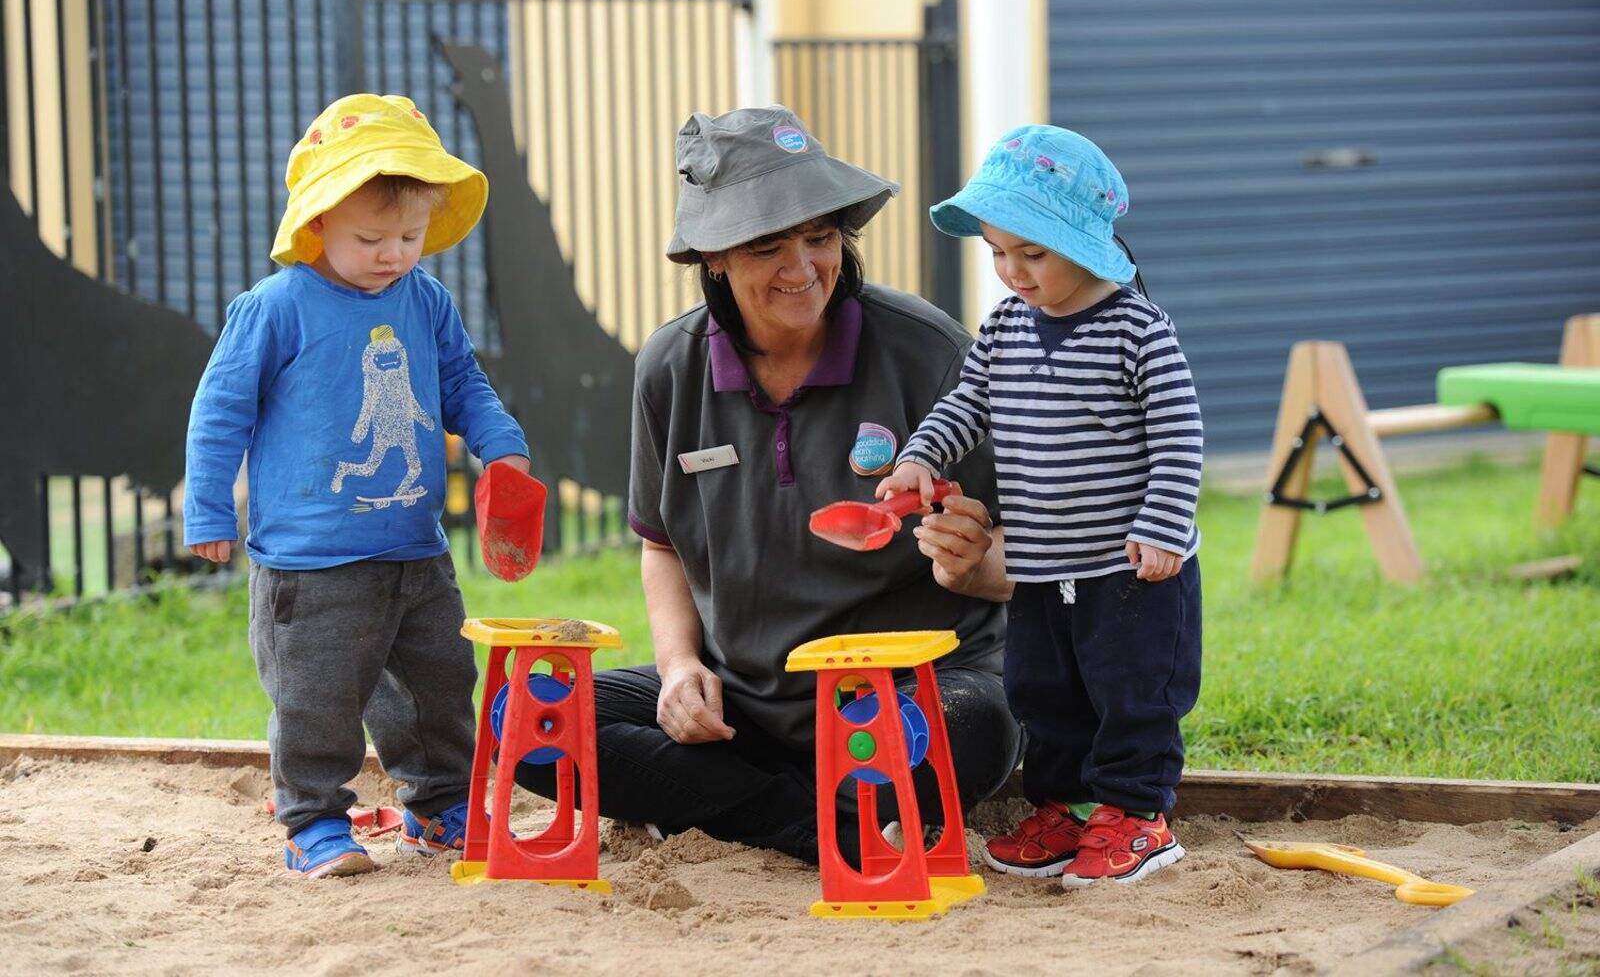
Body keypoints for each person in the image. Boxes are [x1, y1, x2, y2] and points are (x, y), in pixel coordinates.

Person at [515, 106, 1021, 862]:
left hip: (908, 695)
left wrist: (972, 563)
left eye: (820, 237)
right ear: (711, 257)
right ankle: (823, 826)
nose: (802, 267)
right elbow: (661, 545)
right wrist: (680, 667)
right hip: (745, 701)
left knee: (975, 727)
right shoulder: (669, 367)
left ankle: (747, 808)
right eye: (766, 245)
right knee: (528, 720)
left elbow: (1030, 557)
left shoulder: (929, 352)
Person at [183, 94, 531, 878]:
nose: (394, 255)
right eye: (371, 238)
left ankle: (440, 809)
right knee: (317, 698)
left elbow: (464, 385)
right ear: (317, 227)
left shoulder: (426, 301)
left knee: (439, 685)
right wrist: (208, 505)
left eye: (411, 237)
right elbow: (220, 410)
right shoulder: (274, 310)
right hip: (310, 561)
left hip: (414, 546)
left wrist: (501, 448)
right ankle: (312, 822)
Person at [877, 124, 1203, 888]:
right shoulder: (1006, 328)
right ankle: (1061, 808)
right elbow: (968, 403)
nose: (1011, 271)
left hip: (1129, 568)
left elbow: (1180, 434)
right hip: (1040, 565)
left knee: (1133, 693)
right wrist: (921, 455)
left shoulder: (1137, 329)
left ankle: (1137, 818)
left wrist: (1161, 527)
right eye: (997, 251)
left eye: (1032, 253)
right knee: (1044, 691)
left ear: (1085, 244)